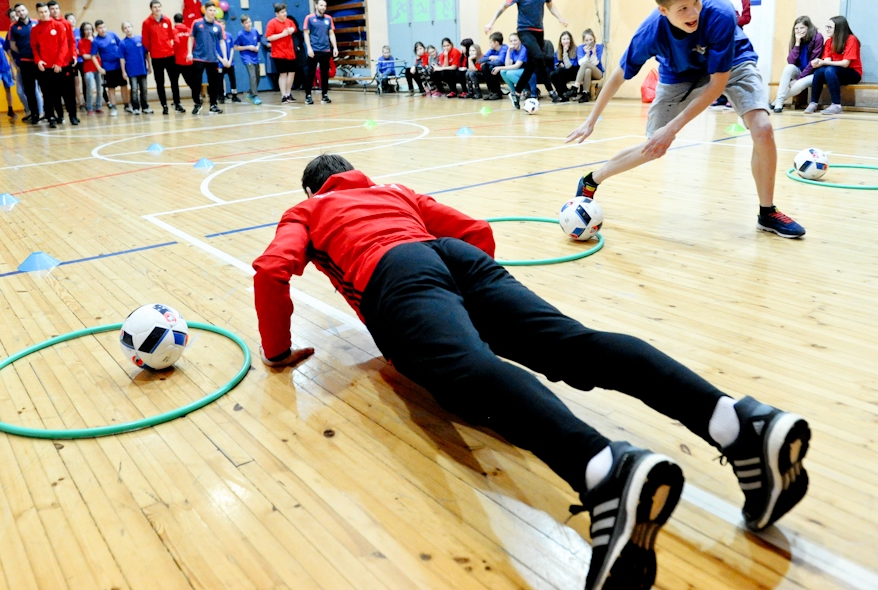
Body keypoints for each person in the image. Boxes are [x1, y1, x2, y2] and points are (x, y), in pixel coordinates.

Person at [253, 153, 812, 590]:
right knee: (574, 344)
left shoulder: (308, 212)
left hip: (395, 276)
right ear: (355, 174)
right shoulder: (392, 191)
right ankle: (739, 424)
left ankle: (605, 472)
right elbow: (474, 228)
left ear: (312, 192)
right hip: (457, 257)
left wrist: (277, 352)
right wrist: (471, 299)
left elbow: (272, 271)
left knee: (470, 372)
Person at [566, 0, 805, 239]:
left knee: (762, 128)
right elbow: (619, 75)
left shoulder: (720, 13)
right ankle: (591, 180)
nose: (694, 13)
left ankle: (767, 212)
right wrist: (591, 119)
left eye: (696, 2)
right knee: (653, 147)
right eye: (683, 9)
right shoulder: (650, 32)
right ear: (663, 11)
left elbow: (716, 85)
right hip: (678, 73)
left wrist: (673, 128)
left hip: (732, 63)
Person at [485, 0, 569, 109]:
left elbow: (550, 5)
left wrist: (560, 18)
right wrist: (491, 23)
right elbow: (503, 6)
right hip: (524, 31)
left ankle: (516, 93)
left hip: (539, 31)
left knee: (531, 65)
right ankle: (551, 91)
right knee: (539, 57)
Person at [30, 2, 78, 128]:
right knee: (48, 94)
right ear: (38, 13)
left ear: (48, 12)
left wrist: (59, 62)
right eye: (41, 12)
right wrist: (38, 60)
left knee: (68, 93)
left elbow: (64, 45)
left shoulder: (59, 25)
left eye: (45, 11)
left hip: (62, 65)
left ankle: (72, 116)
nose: (44, 14)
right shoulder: (35, 29)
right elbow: (34, 47)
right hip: (45, 67)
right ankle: (52, 117)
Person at [805, 16, 862, 116]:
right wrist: (819, 62)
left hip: (853, 73)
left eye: (830, 27)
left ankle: (836, 105)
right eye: (827, 27)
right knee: (819, 71)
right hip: (834, 72)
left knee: (829, 70)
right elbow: (827, 61)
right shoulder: (829, 42)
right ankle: (813, 102)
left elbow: (845, 64)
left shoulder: (851, 39)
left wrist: (823, 63)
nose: (827, 29)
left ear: (839, 28)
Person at [711, 0, 753, 108]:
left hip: (735, 37)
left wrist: (729, 21)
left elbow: (746, 18)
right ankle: (720, 96)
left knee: (734, 67)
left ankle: (733, 97)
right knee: (720, 67)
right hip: (719, 38)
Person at [772, 17, 823, 113]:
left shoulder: (817, 37)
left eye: (802, 28)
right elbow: (791, 61)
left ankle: (779, 101)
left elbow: (812, 63)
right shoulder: (795, 39)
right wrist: (797, 43)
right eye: (796, 28)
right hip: (800, 71)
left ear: (808, 28)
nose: (799, 31)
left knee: (798, 85)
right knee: (788, 68)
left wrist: (798, 79)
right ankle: (779, 101)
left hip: (813, 73)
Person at [187, 2, 227, 114]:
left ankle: (213, 105)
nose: (213, 12)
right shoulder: (197, 23)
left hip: (212, 59)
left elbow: (222, 41)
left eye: (214, 10)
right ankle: (197, 104)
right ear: (205, 10)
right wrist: (189, 52)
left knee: (213, 83)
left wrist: (224, 57)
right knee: (196, 82)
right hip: (198, 58)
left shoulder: (218, 26)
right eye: (210, 10)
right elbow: (191, 38)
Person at [45, 0, 79, 125]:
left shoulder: (66, 23)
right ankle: (59, 116)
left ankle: (73, 116)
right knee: (55, 92)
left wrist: (74, 54)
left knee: (69, 92)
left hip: (66, 63)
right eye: (52, 9)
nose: (54, 11)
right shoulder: (46, 25)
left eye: (56, 8)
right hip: (52, 65)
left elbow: (72, 41)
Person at [142, 0, 179, 114]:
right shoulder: (147, 22)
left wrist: (169, 47)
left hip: (169, 55)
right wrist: (153, 49)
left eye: (159, 6)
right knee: (160, 82)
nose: (157, 9)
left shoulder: (167, 20)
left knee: (174, 80)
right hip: (157, 57)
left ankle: (177, 104)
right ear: (151, 9)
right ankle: (164, 105)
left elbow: (171, 35)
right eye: (155, 7)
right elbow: (145, 40)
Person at [8, 3, 42, 124]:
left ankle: (47, 114)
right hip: (25, 62)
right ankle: (34, 115)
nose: (21, 13)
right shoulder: (13, 27)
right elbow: (12, 45)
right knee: (29, 90)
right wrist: (24, 52)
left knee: (45, 88)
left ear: (26, 10)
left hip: (40, 61)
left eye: (22, 10)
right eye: (18, 11)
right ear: (16, 14)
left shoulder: (37, 22)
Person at [303, 0, 338, 105]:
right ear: (316, 6)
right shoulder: (309, 18)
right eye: (321, 5)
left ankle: (325, 95)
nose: (323, 7)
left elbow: (331, 33)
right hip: (314, 50)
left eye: (325, 6)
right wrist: (309, 48)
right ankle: (308, 96)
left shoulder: (328, 18)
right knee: (311, 73)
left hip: (325, 50)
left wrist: (335, 47)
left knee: (324, 73)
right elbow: (306, 34)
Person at [91, 19, 129, 116]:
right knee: (111, 88)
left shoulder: (112, 34)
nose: (103, 29)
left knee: (124, 86)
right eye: (100, 28)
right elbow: (93, 56)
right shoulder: (96, 41)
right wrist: (99, 68)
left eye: (104, 27)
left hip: (119, 65)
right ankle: (114, 108)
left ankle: (127, 106)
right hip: (108, 68)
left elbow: (121, 45)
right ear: (96, 29)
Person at [265, 3, 298, 103]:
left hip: (290, 52)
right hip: (278, 53)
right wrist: (282, 34)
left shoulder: (289, 21)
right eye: (282, 12)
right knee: (283, 74)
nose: (285, 14)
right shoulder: (271, 23)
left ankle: (288, 93)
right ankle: (283, 95)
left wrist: (292, 29)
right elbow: (269, 37)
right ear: (277, 14)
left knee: (292, 73)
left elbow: (294, 28)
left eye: (285, 11)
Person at [121, 21, 152, 115]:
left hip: (142, 69)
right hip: (131, 70)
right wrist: (123, 71)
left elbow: (147, 54)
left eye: (129, 27)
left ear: (132, 27)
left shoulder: (141, 39)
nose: (127, 29)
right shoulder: (123, 43)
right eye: (125, 28)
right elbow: (122, 58)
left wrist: (149, 66)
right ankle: (135, 107)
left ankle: (145, 107)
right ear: (123, 30)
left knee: (144, 89)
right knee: (134, 89)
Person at [235, 14, 263, 104]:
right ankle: (254, 96)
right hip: (246, 57)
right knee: (252, 75)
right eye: (246, 22)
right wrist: (248, 47)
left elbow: (258, 41)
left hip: (255, 57)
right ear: (242, 24)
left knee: (257, 77)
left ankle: (251, 93)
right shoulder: (240, 34)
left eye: (250, 22)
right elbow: (236, 47)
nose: (249, 24)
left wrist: (257, 47)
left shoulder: (255, 31)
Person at [172, 13, 196, 111]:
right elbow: (194, 44)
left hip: (176, 60)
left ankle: (177, 103)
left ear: (174, 21)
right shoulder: (189, 31)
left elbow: (175, 43)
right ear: (183, 21)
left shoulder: (173, 31)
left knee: (174, 83)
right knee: (191, 81)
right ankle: (197, 98)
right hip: (188, 60)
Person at [575, 29, 604, 104]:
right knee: (587, 70)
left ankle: (575, 87)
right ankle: (586, 93)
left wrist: (593, 53)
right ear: (584, 41)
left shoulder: (599, 47)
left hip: (598, 72)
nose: (589, 42)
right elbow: (580, 63)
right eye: (586, 40)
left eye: (591, 40)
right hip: (586, 72)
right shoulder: (580, 48)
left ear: (594, 39)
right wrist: (587, 54)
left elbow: (595, 63)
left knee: (585, 65)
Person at [78, 22, 101, 115]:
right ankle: (89, 107)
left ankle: (98, 106)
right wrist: (94, 55)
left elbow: (100, 53)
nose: (88, 31)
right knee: (90, 87)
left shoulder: (96, 40)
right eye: (86, 29)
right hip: (88, 69)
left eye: (90, 29)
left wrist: (93, 42)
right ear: (83, 31)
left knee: (100, 88)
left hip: (98, 67)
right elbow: (85, 56)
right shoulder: (81, 42)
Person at [550, 31, 579, 102]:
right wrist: (559, 65)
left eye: (568, 39)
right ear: (561, 41)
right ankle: (562, 94)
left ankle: (565, 94)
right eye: (564, 39)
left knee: (560, 70)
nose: (566, 41)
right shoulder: (558, 51)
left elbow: (570, 66)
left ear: (570, 40)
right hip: (562, 73)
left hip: (574, 72)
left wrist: (565, 52)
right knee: (552, 74)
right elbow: (555, 65)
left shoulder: (575, 49)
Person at [479, 33, 508, 100]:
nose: (489, 44)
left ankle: (497, 92)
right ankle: (491, 91)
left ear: (496, 43)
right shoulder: (492, 50)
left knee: (491, 67)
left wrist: (487, 61)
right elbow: (481, 60)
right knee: (484, 66)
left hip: (504, 69)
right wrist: (490, 58)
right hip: (494, 70)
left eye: (491, 42)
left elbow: (499, 62)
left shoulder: (504, 48)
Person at [65, 12, 85, 110]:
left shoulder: (80, 32)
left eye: (74, 19)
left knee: (85, 81)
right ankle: (80, 103)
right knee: (76, 81)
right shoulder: (65, 32)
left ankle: (87, 101)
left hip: (82, 60)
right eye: (70, 19)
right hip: (72, 61)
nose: (72, 21)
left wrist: (82, 51)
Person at [219, 27, 241, 103]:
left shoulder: (229, 35)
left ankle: (234, 95)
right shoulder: (216, 36)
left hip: (229, 62)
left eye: (223, 25)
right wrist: (222, 60)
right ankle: (221, 96)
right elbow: (215, 50)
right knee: (220, 80)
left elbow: (232, 48)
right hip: (220, 63)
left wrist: (230, 60)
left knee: (232, 79)